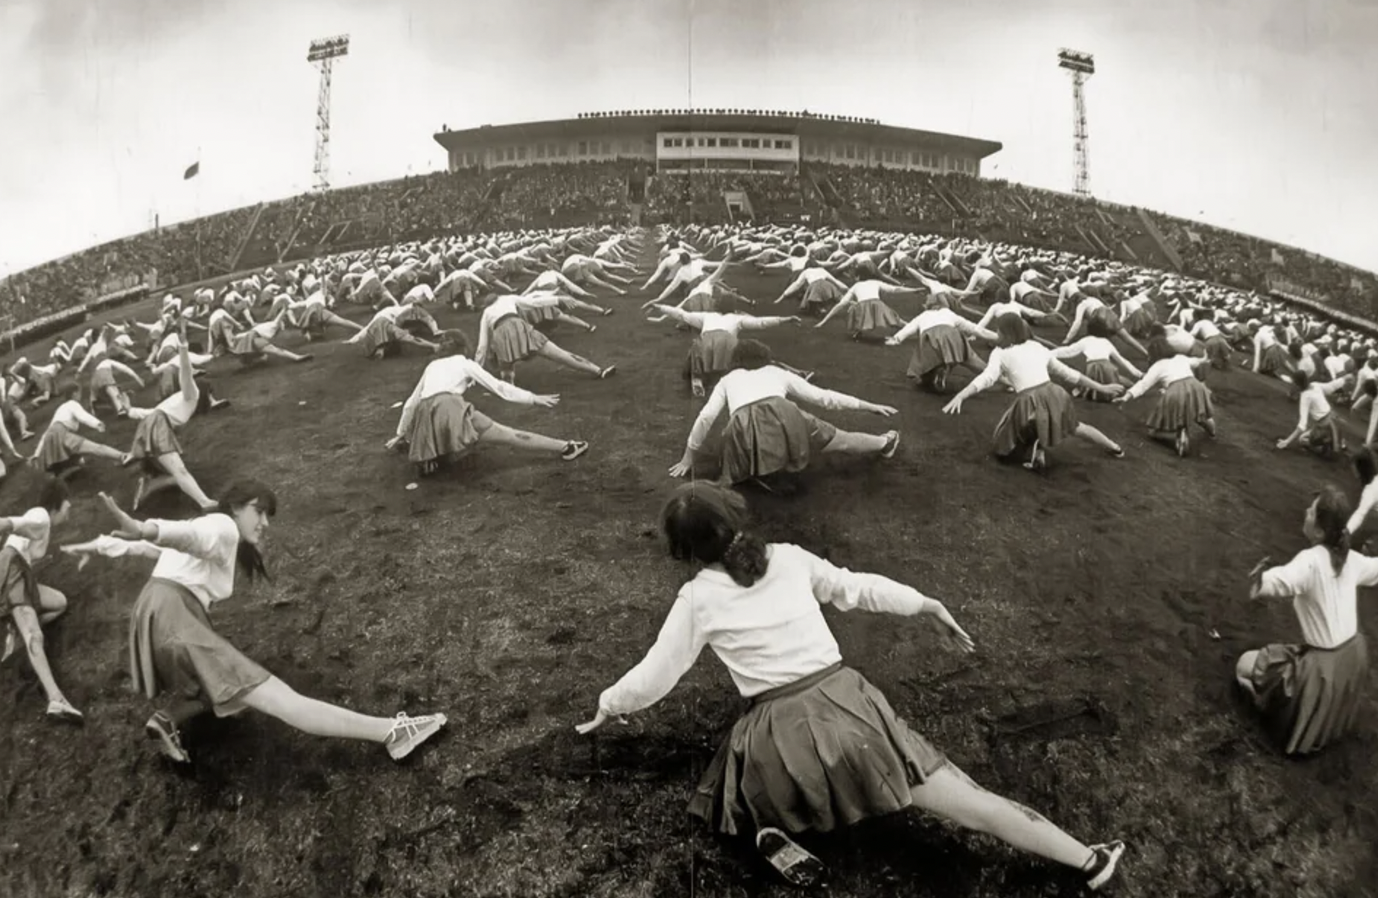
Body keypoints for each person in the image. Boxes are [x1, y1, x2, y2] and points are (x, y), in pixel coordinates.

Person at [575, 482, 1125, 891]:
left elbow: (657, 673)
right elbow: (856, 589)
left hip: (777, 738)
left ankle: (769, 830)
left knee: (735, 791)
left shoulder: (695, 598)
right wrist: (924, 603)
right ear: (734, 517)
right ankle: (1089, 861)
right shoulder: (789, 559)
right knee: (969, 802)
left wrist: (609, 704)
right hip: (849, 709)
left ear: (685, 551)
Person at [59, 487, 448, 766]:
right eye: (258, 511)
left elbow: (151, 548)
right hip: (173, 613)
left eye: (267, 516)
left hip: (156, 613)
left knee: (227, 690)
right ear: (235, 507)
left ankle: (167, 720)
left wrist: (101, 545)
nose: (264, 523)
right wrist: (149, 528)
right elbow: (189, 535)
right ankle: (392, 734)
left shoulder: (219, 538)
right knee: (280, 699)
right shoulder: (222, 526)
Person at [1236, 486, 1372, 756]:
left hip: (1320, 672)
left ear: (1320, 532)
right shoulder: (1353, 559)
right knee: (1293, 657)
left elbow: (1284, 580)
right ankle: (1319, 717)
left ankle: (1277, 709)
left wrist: (1260, 582)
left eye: (1311, 511)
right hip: (1353, 662)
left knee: (1243, 666)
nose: (1305, 512)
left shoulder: (1311, 560)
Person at [669, 340, 899, 488]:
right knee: (841, 440)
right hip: (784, 417)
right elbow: (824, 397)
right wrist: (868, 405)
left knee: (732, 448)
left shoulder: (728, 379)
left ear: (736, 361)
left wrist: (688, 458)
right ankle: (884, 442)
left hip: (741, 428)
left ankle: (759, 471)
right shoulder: (776, 371)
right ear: (765, 357)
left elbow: (706, 417)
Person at [384, 331, 590, 477]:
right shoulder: (465, 363)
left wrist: (401, 433)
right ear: (464, 347)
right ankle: (566, 446)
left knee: (448, 433)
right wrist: (532, 397)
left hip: (424, 411)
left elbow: (411, 404)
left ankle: (432, 456)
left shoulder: (432, 365)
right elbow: (498, 387)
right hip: (449, 407)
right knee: (507, 434)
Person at [942, 314, 1125, 472]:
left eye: (999, 331)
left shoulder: (1000, 353)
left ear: (1006, 332)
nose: (997, 334)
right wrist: (1100, 387)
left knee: (1004, 441)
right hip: (1054, 394)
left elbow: (986, 378)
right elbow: (1069, 374)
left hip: (1030, 400)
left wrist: (962, 395)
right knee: (1075, 427)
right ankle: (1114, 447)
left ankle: (1038, 449)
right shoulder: (1036, 347)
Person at [0, 480, 84, 724]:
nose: (69, 513)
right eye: (67, 507)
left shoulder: (42, 525)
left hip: (19, 573)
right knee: (34, 635)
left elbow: (25, 552)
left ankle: (16, 632)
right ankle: (56, 699)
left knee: (59, 602)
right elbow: (6, 524)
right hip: (11, 571)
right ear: (56, 504)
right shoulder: (41, 517)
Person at [124, 319, 229, 511]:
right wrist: (183, 348)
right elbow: (186, 375)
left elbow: (150, 413)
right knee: (180, 470)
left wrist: (130, 410)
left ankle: (149, 484)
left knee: (174, 472)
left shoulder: (178, 401)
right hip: (157, 425)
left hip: (151, 423)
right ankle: (205, 503)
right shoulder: (192, 396)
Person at [647, 299, 807, 398]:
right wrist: (785, 319)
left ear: (717, 306)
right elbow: (761, 322)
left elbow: (681, 314)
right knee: (754, 360)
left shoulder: (706, 316)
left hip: (706, 342)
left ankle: (697, 378)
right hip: (729, 343)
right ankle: (797, 373)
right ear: (733, 308)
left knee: (696, 347)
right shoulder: (737, 318)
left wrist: (659, 306)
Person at [476, 294, 616, 385]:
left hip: (501, 335)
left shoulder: (487, 312)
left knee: (507, 370)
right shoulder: (507, 298)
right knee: (559, 354)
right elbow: (533, 303)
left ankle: (510, 392)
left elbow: (482, 345)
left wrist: (476, 369)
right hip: (518, 326)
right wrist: (558, 299)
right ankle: (598, 371)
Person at [1112, 338, 1217, 457]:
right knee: (1201, 415)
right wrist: (1204, 358)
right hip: (1195, 386)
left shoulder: (1157, 366)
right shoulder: (1180, 358)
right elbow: (1196, 361)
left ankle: (1179, 434)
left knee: (1153, 433)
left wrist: (1126, 396)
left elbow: (1143, 385)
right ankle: (1212, 433)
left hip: (1175, 391)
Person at [886, 296, 998, 392]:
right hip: (953, 337)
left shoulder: (923, 315)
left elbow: (909, 328)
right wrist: (998, 337)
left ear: (928, 306)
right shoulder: (949, 313)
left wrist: (896, 339)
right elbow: (975, 329)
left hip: (931, 341)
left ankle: (939, 369)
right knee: (971, 361)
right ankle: (1006, 380)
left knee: (924, 375)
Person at [33, 386, 134, 478]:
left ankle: (61, 475)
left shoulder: (60, 408)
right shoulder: (72, 403)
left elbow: (46, 433)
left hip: (50, 439)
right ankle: (122, 456)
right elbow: (82, 416)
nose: (80, 396)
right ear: (74, 394)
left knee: (79, 461)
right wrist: (97, 423)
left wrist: (37, 454)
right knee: (96, 448)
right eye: (79, 393)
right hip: (60, 434)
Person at [1276, 370, 1350, 457]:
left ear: (1298, 384)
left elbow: (1302, 425)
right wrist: (1344, 379)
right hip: (1336, 421)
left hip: (1325, 427)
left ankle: (1327, 446)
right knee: (1313, 432)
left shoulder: (1305, 397)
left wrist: (1287, 441)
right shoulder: (1315, 385)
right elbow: (1331, 387)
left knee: (1302, 439)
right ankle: (1340, 442)